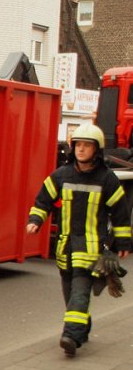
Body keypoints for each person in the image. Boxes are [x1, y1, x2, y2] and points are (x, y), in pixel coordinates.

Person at [26, 123, 131, 357]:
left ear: (97, 150)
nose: (81, 149)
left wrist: (123, 243)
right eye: (78, 145)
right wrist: (36, 219)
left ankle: (71, 336)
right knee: (70, 295)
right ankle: (81, 327)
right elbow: (43, 200)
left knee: (80, 290)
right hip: (65, 247)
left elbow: (120, 213)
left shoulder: (107, 179)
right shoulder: (61, 175)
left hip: (91, 248)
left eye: (87, 145)